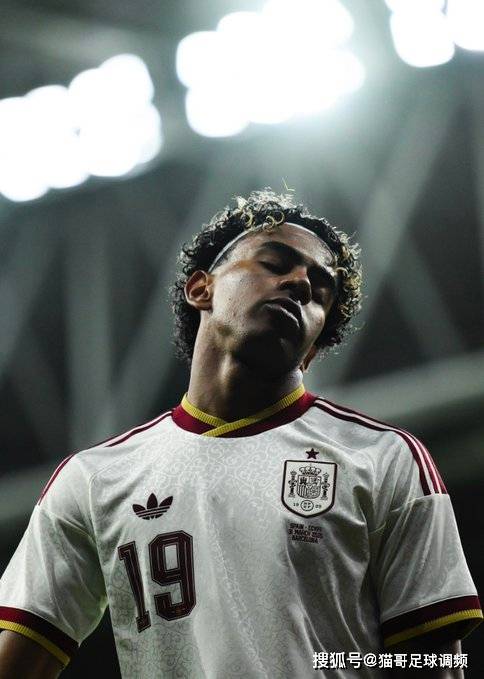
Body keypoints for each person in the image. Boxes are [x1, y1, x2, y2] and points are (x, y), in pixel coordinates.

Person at [0, 189, 481, 679]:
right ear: (200, 289)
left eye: (320, 291)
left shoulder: (383, 458)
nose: (300, 283)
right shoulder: (93, 479)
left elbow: (436, 663)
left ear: (312, 350)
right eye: (274, 263)